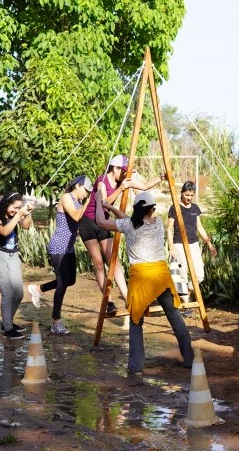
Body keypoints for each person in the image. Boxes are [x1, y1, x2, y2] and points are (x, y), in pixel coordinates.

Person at [95, 189, 193, 375]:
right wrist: (111, 207)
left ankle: (136, 366)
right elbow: (130, 220)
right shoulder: (158, 223)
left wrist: (99, 201)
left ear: (136, 209)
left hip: (141, 277)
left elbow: (101, 222)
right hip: (161, 276)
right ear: (152, 209)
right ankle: (189, 358)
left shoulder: (129, 225)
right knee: (174, 316)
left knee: (136, 321)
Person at [79, 155, 163, 315]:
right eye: (123, 171)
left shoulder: (121, 181)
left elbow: (143, 187)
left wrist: (161, 177)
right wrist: (121, 188)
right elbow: (104, 202)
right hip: (88, 222)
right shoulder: (102, 180)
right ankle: (108, 301)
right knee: (98, 263)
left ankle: (127, 298)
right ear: (115, 168)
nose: (125, 174)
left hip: (103, 222)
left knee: (114, 261)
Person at [27, 176, 93, 335]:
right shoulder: (66, 198)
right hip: (58, 247)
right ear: (77, 186)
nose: (86, 193)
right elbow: (76, 216)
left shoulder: (78, 201)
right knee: (62, 282)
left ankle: (38, 289)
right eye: (86, 190)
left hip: (68, 247)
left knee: (70, 280)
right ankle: (56, 322)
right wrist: (89, 201)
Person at [0, 192, 35, 339]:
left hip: (13, 256)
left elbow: (26, 225)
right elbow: (4, 231)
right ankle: (8, 330)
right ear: (7, 204)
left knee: (18, 294)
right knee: (7, 293)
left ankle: (7, 322)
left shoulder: (15, 214)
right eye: (15, 207)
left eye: (19, 207)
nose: (16, 210)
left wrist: (28, 213)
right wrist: (19, 214)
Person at [167, 181, 217, 303]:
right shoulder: (175, 208)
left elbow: (199, 227)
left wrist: (209, 245)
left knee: (199, 275)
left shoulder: (195, 208)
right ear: (182, 193)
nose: (189, 198)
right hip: (179, 243)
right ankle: (186, 304)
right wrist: (171, 247)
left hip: (193, 243)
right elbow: (169, 229)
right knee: (183, 275)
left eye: (191, 195)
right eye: (187, 195)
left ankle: (187, 293)